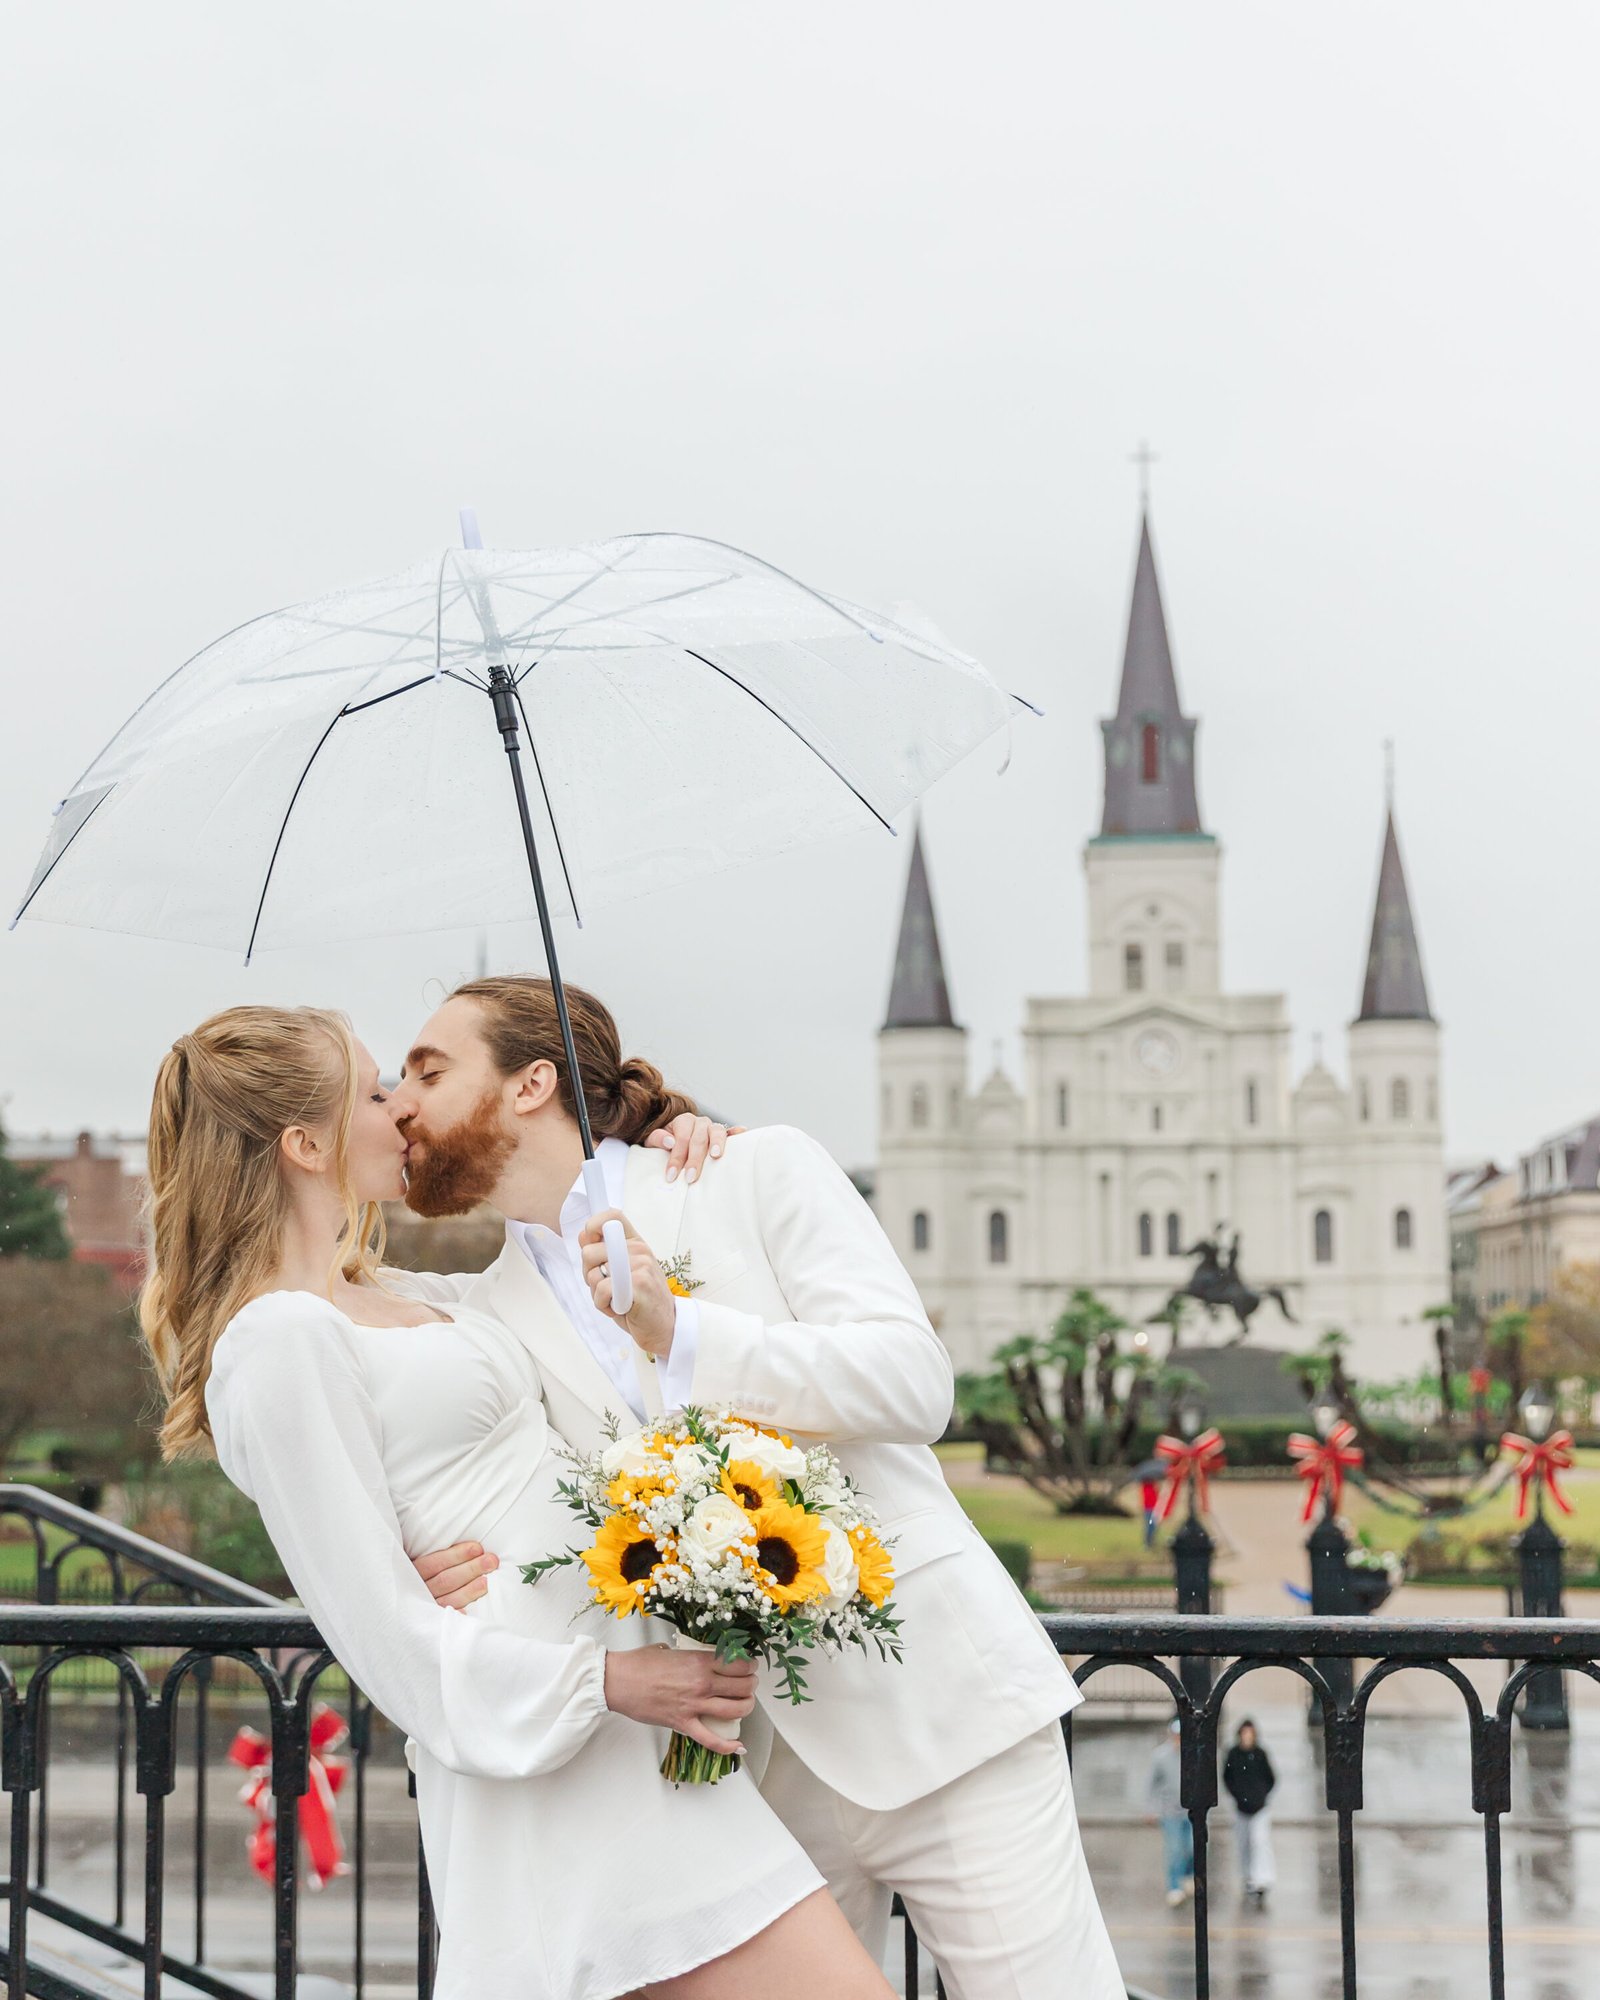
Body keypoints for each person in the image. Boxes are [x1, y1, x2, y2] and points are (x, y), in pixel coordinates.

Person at [391, 974, 1125, 2000]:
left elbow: (914, 1382)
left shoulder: (748, 1170)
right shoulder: (486, 1317)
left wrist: (679, 1328)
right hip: (735, 1778)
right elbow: (524, 1505)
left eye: (428, 1069)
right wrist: (439, 1575)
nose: (402, 1100)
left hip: (940, 1712)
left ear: (530, 1083)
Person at [140, 1004, 893, 2000]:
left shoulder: (406, 1293)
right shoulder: (276, 1341)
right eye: (374, 1091)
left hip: (635, 1740)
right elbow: (385, 1636)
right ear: (303, 1142)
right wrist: (613, 1683)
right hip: (560, 1755)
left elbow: (560, 1309)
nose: (401, 1109)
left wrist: (668, 1140)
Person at [1222, 1718, 1277, 1908]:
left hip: (1259, 1807)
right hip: (1241, 1808)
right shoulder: (1234, 1754)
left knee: (1260, 1842)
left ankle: (1262, 1879)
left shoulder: (1260, 1754)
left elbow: (1271, 1778)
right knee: (1244, 1844)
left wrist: (1260, 1794)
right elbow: (1227, 1778)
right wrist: (1238, 1795)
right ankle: (1249, 1878)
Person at [1145, 1719, 1193, 1908]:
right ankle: (1174, 1886)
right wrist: (1151, 1808)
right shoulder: (1160, 1756)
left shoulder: (1191, 1753)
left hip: (1190, 1811)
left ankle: (1188, 1875)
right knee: (1174, 1850)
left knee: (1191, 1847)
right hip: (1170, 1811)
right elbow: (1151, 1784)